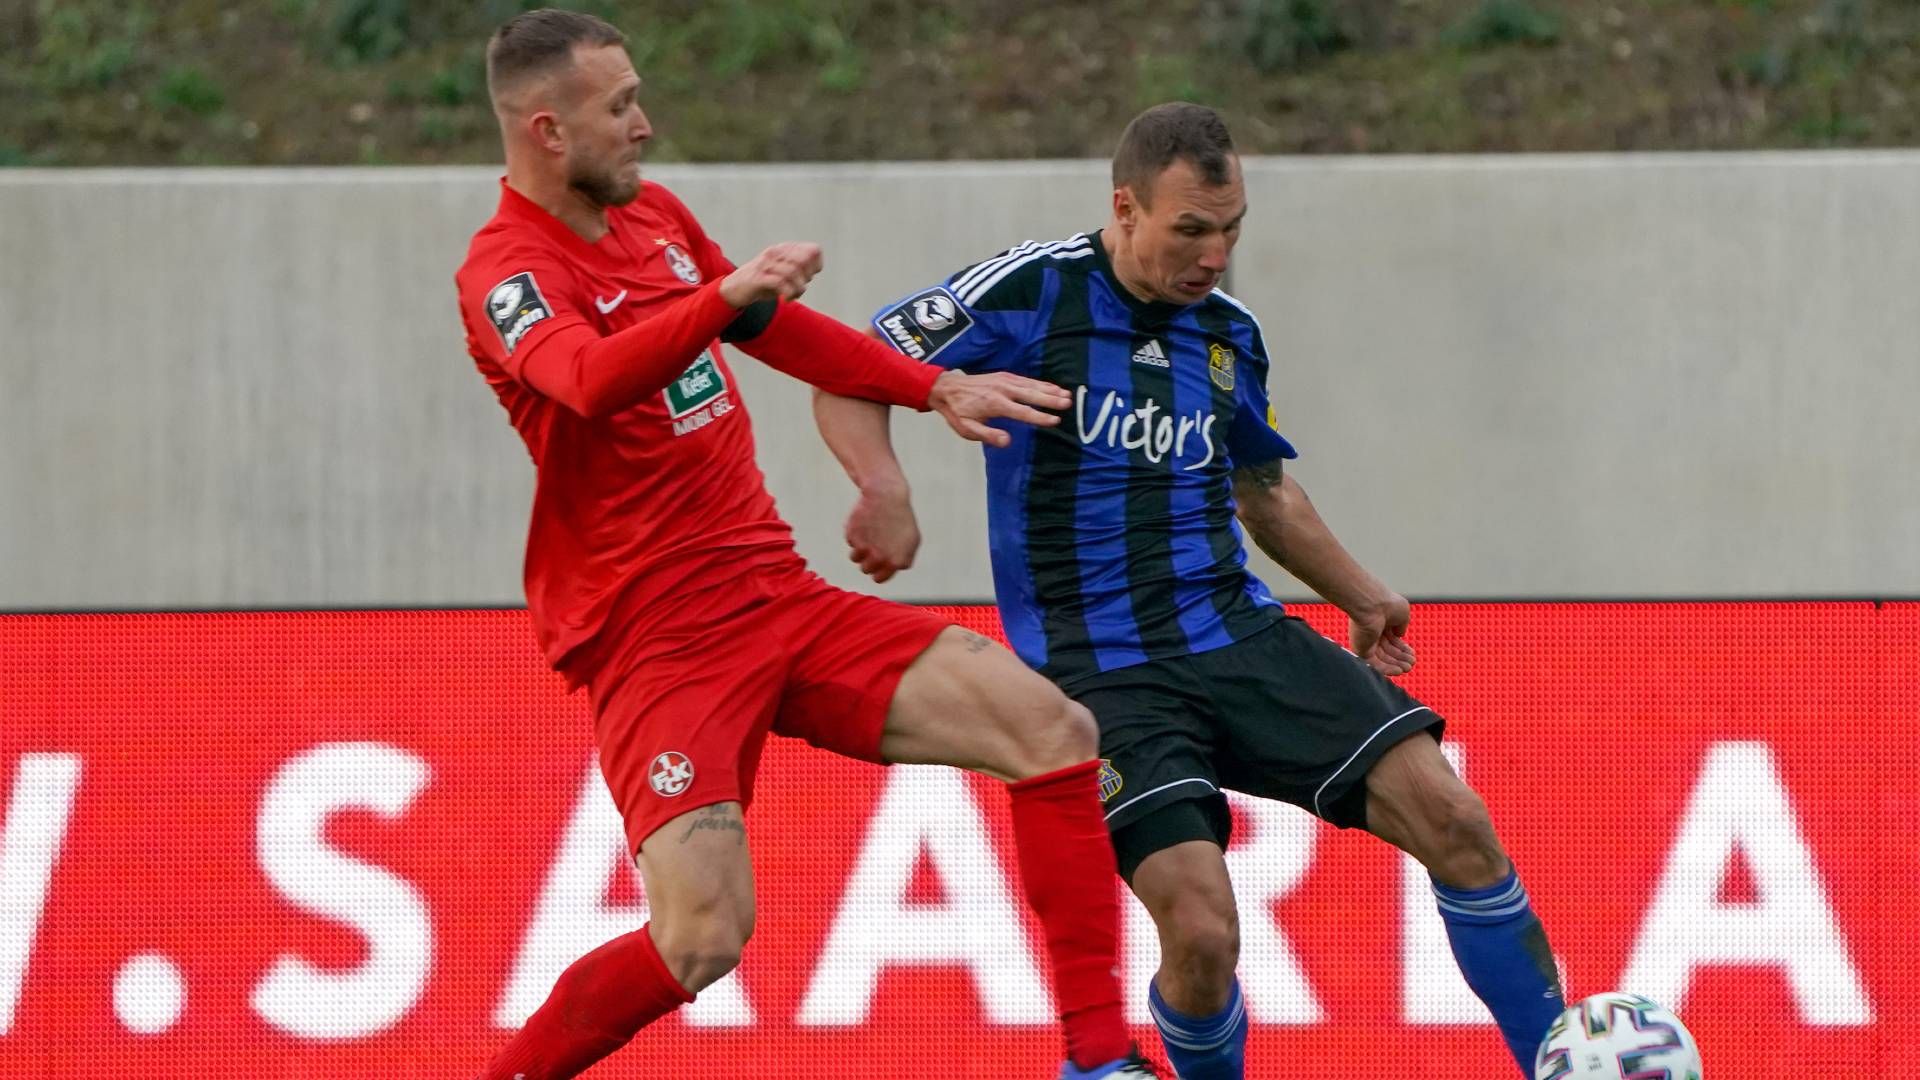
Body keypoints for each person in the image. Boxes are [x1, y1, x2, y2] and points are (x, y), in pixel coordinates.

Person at [454, 10, 1160, 1079]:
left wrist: (936, 386)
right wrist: (723, 298)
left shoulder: (657, 221)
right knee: (700, 942)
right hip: (657, 638)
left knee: (1050, 728)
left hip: (775, 594)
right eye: (620, 106)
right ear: (548, 132)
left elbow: (770, 329)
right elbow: (586, 383)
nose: (644, 124)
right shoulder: (507, 270)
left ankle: (1097, 1059)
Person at [814, 101, 1566, 1079]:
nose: (1214, 254)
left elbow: (1260, 490)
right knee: (1203, 933)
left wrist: (1360, 591)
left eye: (1232, 229)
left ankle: (1557, 1060)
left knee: (1455, 819)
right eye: (1191, 230)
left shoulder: (1228, 336)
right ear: (1125, 208)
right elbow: (848, 372)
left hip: (1236, 633)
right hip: (1100, 676)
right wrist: (884, 487)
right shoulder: (1032, 290)